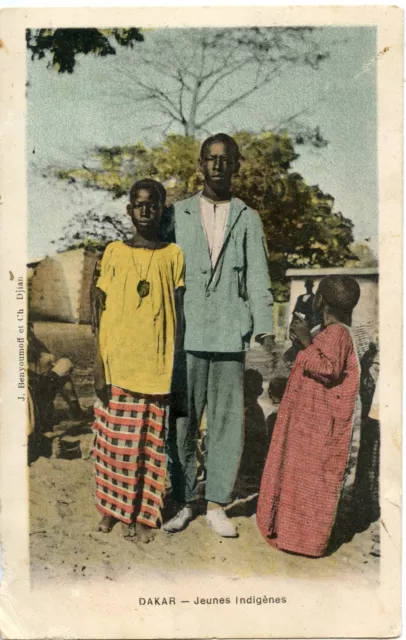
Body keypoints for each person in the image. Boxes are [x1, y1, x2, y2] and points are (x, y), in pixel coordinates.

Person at [163, 133, 274, 538]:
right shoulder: (177, 214)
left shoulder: (248, 216)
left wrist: (263, 328)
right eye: (210, 159)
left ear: (236, 165)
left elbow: (259, 278)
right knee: (182, 422)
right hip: (187, 334)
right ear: (199, 164)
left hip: (230, 334)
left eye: (225, 160)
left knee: (227, 422)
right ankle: (184, 500)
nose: (217, 166)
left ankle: (216, 504)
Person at [92, 178, 185, 543]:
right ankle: (113, 510)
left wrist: (176, 365)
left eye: (153, 203)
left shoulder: (173, 255)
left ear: (162, 209)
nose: (145, 209)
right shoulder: (113, 252)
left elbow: (179, 313)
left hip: (155, 368)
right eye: (138, 203)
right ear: (129, 210)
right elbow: (96, 307)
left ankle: (145, 516)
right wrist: (99, 363)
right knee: (114, 444)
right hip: (118, 364)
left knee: (149, 446)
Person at [256, 275, 362, 557]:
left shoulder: (338, 333)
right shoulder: (325, 332)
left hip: (320, 424)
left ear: (320, 300)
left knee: (312, 479)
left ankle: (306, 541)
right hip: (308, 421)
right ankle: (291, 534)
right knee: (298, 474)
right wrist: (303, 341)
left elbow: (328, 369)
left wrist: (305, 342)